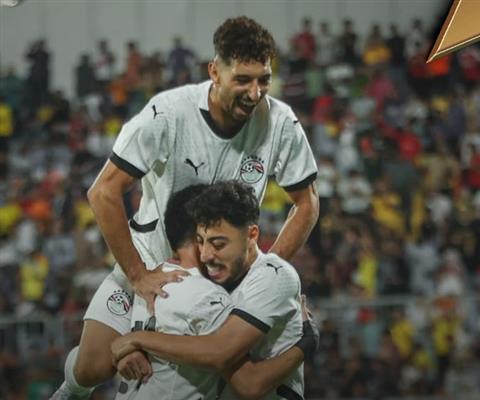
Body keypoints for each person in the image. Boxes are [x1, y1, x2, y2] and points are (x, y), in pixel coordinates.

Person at [52, 16, 318, 399]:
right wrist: (138, 274)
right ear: (215, 71)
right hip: (152, 264)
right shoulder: (168, 113)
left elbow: (307, 203)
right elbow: (103, 192)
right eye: (243, 80)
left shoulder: (279, 122)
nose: (255, 93)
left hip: (218, 276)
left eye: (264, 80)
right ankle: (71, 389)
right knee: (92, 366)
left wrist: (263, 275)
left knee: (238, 379)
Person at [111, 181, 314, 399]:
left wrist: (137, 340)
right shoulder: (204, 282)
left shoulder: (273, 276)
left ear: (252, 235)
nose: (206, 254)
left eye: (218, 244)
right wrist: (133, 351)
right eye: (201, 241)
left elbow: (239, 373)